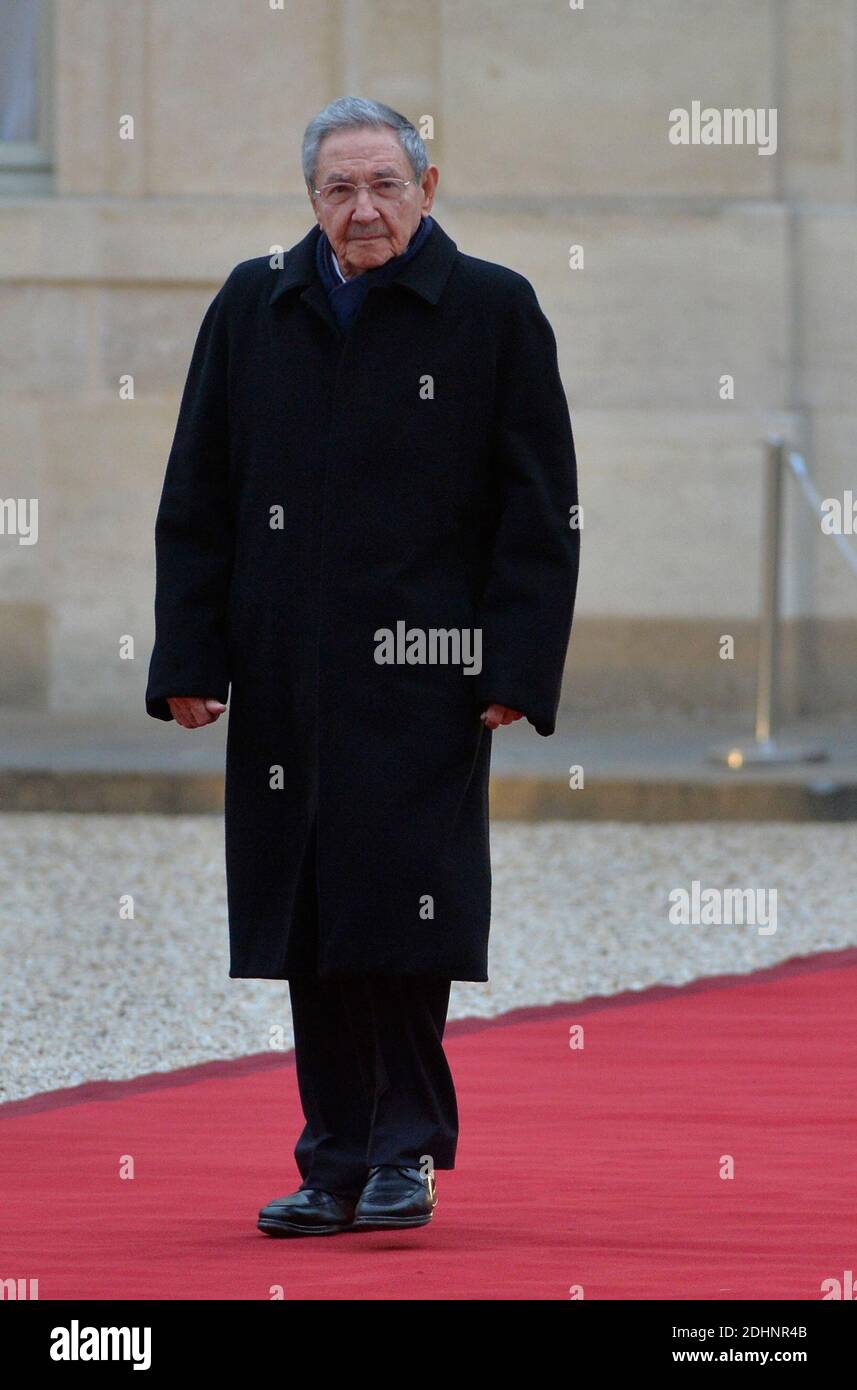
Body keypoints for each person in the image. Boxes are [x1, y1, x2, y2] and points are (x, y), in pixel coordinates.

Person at [145, 96, 580, 1236]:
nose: (363, 208)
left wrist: (512, 663)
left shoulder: (490, 310)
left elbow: (538, 513)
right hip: (287, 670)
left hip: (424, 669)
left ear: (426, 189)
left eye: (385, 184)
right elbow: (198, 494)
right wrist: (191, 655)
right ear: (311, 200)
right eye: (339, 188)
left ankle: (404, 1149)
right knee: (308, 918)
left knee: (403, 908)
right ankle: (332, 1157)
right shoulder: (256, 302)